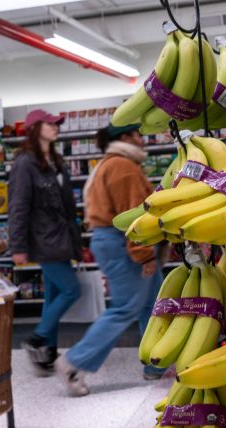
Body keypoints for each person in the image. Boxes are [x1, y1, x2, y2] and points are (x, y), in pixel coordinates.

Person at [55, 123, 163, 396]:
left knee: (152, 305)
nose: (143, 139)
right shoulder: (122, 167)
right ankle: (73, 363)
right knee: (125, 308)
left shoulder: (110, 164)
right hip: (122, 243)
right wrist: (144, 254)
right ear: (125, 138)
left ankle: (157, 364)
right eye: (138, 134)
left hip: (113, 241)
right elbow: (135, 215)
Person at [9, 109, 83, 376]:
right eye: (50, 124)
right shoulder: (24, 164)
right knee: (71, 290)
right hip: (44, 239)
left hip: (60, 237)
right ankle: (37, 338)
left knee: (53, 293)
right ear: (35, 128)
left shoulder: (55, 160)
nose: (56, 127)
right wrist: (17, 246)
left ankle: (48, 352)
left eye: (57, 124)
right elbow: (18, 206)